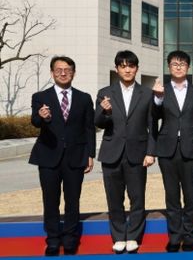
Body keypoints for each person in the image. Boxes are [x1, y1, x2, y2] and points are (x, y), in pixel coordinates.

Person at [29, 56, 95, 256]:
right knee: (50, 201)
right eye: (58, 70)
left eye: (67, 70)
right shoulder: (40, 96)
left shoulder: (84, 98)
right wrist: (42, 117)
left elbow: (89, 128)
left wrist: (90, 154)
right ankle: (52, 240)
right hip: (48, 155)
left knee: (72, 200)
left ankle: (69, 239)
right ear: (52, 73)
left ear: (73, 73)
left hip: (76, 156)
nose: (63, 73)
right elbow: (35, 121)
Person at [95, 50, 156, 254]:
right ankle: (119, 236)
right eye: (123, 66)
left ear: (136, 69)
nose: (127, 70)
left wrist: (151, 152)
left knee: (137, 197)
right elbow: (98, 123)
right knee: (114, 198)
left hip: (138, 153)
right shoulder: (105, 92)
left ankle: (134, 236)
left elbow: (152, 125)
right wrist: (105, 111)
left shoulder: (147, 93)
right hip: (112, 152)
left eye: (131, 66)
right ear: (117, 69)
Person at [152, 51, 193, 252]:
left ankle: (190, 236)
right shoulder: (161, 90)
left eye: (182, 63)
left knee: (191, 196)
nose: (178, 67)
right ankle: (175, 237)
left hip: (190, 150)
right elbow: (153, 117)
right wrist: (157, 98)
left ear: (188, 67)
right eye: (174, 64)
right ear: (169, 67)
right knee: (172, 196)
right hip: (167, 151)